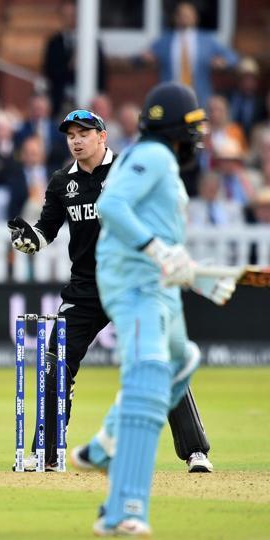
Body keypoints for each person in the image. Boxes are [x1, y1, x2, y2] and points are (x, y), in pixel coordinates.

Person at [66, 84, 238, 536]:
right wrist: (157, 250)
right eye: (194, 126)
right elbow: (112, 205)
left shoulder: (152, 161)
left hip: (158, 281)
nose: (199, 135)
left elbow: (156, 227)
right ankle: (125, 511)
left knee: (183, 360)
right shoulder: (155, 155)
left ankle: (104, 446)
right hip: (136, 281)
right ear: (178, 128)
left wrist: (188, 269)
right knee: (148, 374)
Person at [8, 106, 215, 477]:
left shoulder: (127, 171)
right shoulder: (61, 182)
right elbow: (46, 231)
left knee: (160, 360)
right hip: (86, 290)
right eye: (71, 135)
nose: (76, 140)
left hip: (132, 281)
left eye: (84, 133)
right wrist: (29, 241)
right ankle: (50, 453)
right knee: (55, 361)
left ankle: (195, 452)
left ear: (102, 137)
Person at [143, 1, 238, 105]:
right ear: (175, 18)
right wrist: (146, 58)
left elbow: (233, 57)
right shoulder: (165, 41)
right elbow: (142, 56)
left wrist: (224, 61)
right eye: (182, 15)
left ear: (195, 18)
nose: (185, 18)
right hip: (171, 97)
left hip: (200, 97)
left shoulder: (206, 40)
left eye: (188, 15)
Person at [43, 1, 107, 117]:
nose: (70, 19)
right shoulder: (54, 43)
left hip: (89, 101)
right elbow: (49, 72)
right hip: (62, 101)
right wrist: (70, 65)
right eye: (66, 16)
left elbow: (102, 72)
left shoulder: (92, 41)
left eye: (73, 15)